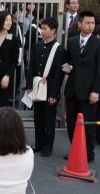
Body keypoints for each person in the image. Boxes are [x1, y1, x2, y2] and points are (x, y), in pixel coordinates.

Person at [63, 11, 100, 162]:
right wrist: (66, 68)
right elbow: (69, 62)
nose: (90, 26)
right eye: (87, 23)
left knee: (87, 125)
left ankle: (88, 153)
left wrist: (96, 91)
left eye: (93, 24)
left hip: (89, 92)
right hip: (72, 90)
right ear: (80, 24)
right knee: (71, 124)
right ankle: (74, 150)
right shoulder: (72, 41)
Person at [26, 17, 65, 157]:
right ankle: (39, 143)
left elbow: (58, 74)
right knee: (38, 117)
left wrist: (54, 94)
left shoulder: (59, 49)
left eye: (45, 28)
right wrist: (29, 84)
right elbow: (31, 66)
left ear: (53, 30)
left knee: (49, 119)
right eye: (41, 28)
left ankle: (48, 146)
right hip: (37, 87)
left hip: (50, 89)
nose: (42, 31)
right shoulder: (37, 45)